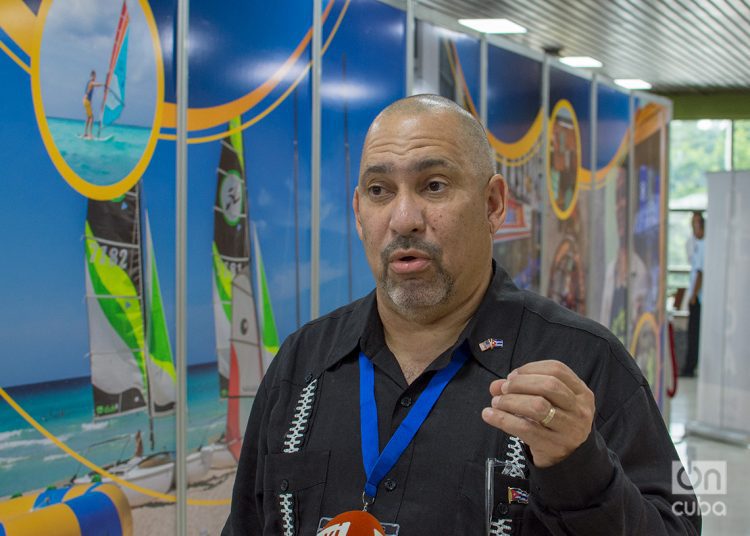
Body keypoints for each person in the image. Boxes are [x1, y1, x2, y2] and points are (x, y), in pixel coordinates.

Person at [223, 95, 699, 535]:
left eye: (434, 185)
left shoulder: (584, 365)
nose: (404, 217)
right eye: (379, 190)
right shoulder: (304, 362)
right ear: (358, 212)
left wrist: (580, 466)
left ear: (493, 205)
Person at [599, 167, 648, 343]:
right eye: (617, 197)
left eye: (625, 196)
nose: (621, 206)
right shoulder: (611, 269)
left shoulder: (639, 271)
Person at [681, 211, 705, 377]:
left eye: (695, 224)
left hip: (699, 298)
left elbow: (700, 273)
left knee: (694, 333)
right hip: (696, 295)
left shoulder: (704, 246)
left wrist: (694, 296)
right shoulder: (695, 244)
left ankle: (690, 366)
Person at [82, 70, 103, 139]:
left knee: (88, 117)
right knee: (92, 117)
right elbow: (95, 85)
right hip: (86, 101)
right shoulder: (91, 82)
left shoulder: (89, 82)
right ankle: (90, 134)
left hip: (86, 101)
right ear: (92, 76)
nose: (95, 77)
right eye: (94, 76)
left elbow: (88, 92)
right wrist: (103, 84)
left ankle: (85, 133)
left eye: (95, 76)